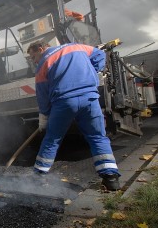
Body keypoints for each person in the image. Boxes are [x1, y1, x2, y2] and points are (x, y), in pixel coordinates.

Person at [26, 40, 121, 191]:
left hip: (63, 103)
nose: (34, 60)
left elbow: (42, 95)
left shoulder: (44, 63)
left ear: (41, 48)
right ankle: (111, 179)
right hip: (90, 99)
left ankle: (38, 177)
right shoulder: (77, 47)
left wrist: (44, 116)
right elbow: (100, 54)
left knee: (52, 139)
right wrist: (91, 71)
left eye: (33, 56)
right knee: (97, 136)